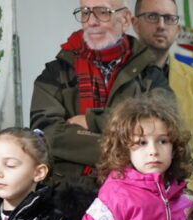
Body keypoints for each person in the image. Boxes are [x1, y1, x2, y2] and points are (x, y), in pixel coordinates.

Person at [30, 0, 172, 188]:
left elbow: (163, 128)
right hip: (65, 192)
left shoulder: (150, 75)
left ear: (126, 19)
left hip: (135, 193)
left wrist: (92, 120)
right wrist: (128, 146)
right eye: (85, 12)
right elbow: (46, 135)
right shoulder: (56, 72)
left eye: (103, 12)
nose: (91, 21)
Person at [131, 0, 193, 191]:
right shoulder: (118, 77)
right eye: (152, 17)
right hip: (129, 192)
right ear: (135, 24)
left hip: (186, 193)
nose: (161, 25)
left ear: (177, 28)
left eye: (169, 18)